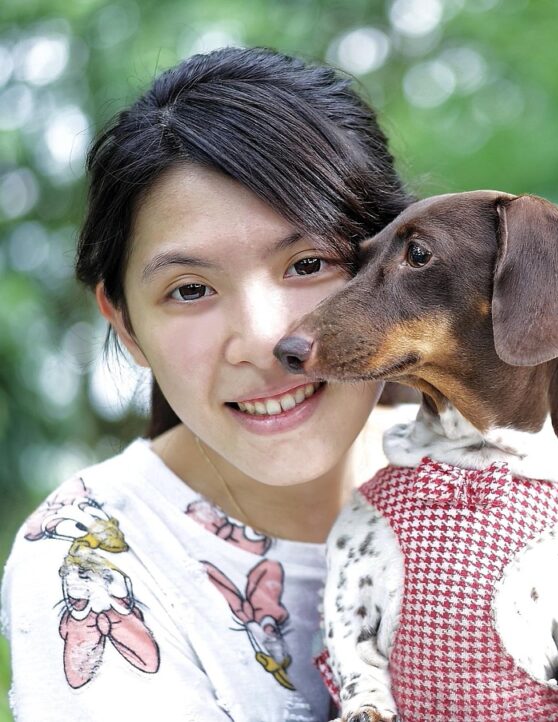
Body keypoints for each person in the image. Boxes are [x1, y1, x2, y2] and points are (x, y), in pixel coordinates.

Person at [1, 46, 415, 721]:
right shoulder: (90, 561)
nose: (261, 338)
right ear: (126, 325)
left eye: (309, 263)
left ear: (396, 268)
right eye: (190, 289)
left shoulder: (510, 479)